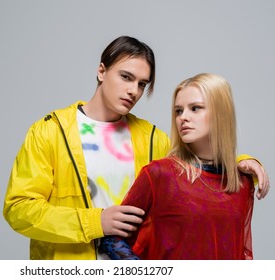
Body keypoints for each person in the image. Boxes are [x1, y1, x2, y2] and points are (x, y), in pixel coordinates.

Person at [3, 36, 269, 260]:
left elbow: (198, 164)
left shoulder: (153, 138)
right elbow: (18, 209)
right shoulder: (50, 131)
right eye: (126, 77)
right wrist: (96, 222)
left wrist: (241, 161)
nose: (133, 91)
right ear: (101, 71)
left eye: (142, 84)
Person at [100, 73, 260, 260]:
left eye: (195, 108)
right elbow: (112, 239)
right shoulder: (160, 174)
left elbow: (241, 252)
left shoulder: (242, 182)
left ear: (220, 113)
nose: (183, 117)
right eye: (178, 111)